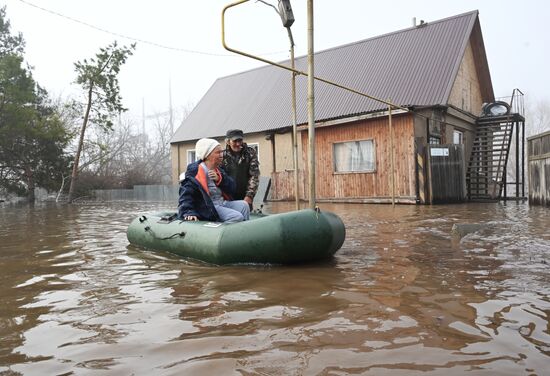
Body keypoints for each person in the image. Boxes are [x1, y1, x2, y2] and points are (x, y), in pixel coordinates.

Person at [178, 138, 250, 223]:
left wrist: (220, 179)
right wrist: (188, 212)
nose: (222, 155)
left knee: (244, 205)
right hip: (208, 207)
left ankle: (245, 233)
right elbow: (186, 194)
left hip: (222, 203)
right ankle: (223, 233)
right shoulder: (194, 172)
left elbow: (233, 188)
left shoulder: (219, 170)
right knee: (236, 217)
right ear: (207, 155)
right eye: (218, 152)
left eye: (222, 152)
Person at [222, 129, 260, 209]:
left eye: (240, 140)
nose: (238, 144)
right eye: (235, 141)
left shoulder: (250, 153)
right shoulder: (222, 156)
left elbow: (254, 176)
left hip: (245, 197)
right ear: (228, 142)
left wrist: (249, 196)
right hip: (227, 199)